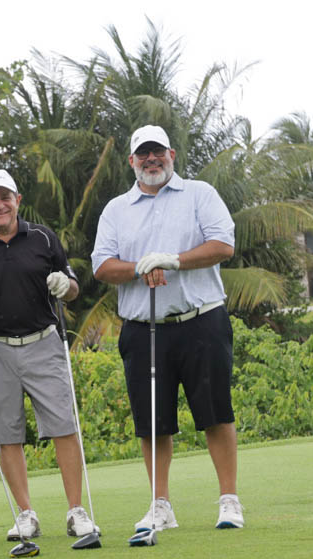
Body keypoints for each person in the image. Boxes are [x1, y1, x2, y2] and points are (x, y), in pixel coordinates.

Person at [91, 125, 244, 532]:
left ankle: (229, 500)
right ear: (132, 161)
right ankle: (161, 505)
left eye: (158, 151)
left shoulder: (199, 194)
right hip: (143, 329)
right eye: (143, 153)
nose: (151, 159)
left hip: (201, 322)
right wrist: (140, 268)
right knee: (152, 422)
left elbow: (223, 245)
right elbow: (102, 265)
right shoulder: (116, 209)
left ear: (171, 154)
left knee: (216, 413)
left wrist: (173, 260)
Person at [0, 169, 98, 541]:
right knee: (6, 434)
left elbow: (72, 288)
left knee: (64, 425)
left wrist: (66, 286)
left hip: (43, 342)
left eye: (6, 197)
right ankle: (26, 514)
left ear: (17, 200)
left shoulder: (43, 238)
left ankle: (76, 511)